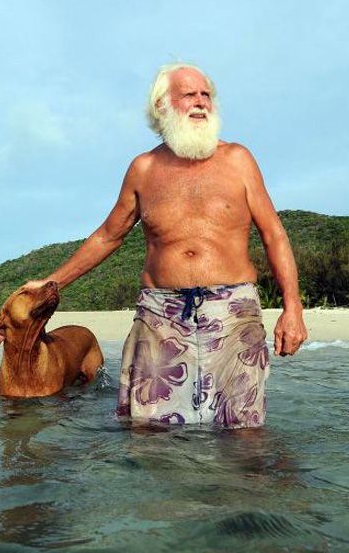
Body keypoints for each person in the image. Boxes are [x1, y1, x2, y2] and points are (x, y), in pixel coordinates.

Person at [16, 63, 307, 428]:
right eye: (189, 95)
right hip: (159, 316)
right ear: (161, 106)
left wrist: (292, 308)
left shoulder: (238, 160)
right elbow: (109, 235)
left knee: (243, 434)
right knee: (150, 433)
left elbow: (274, 234)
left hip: (233, 316)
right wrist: (52, 283)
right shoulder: (144, 169)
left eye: (206, 95)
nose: (201, 103)